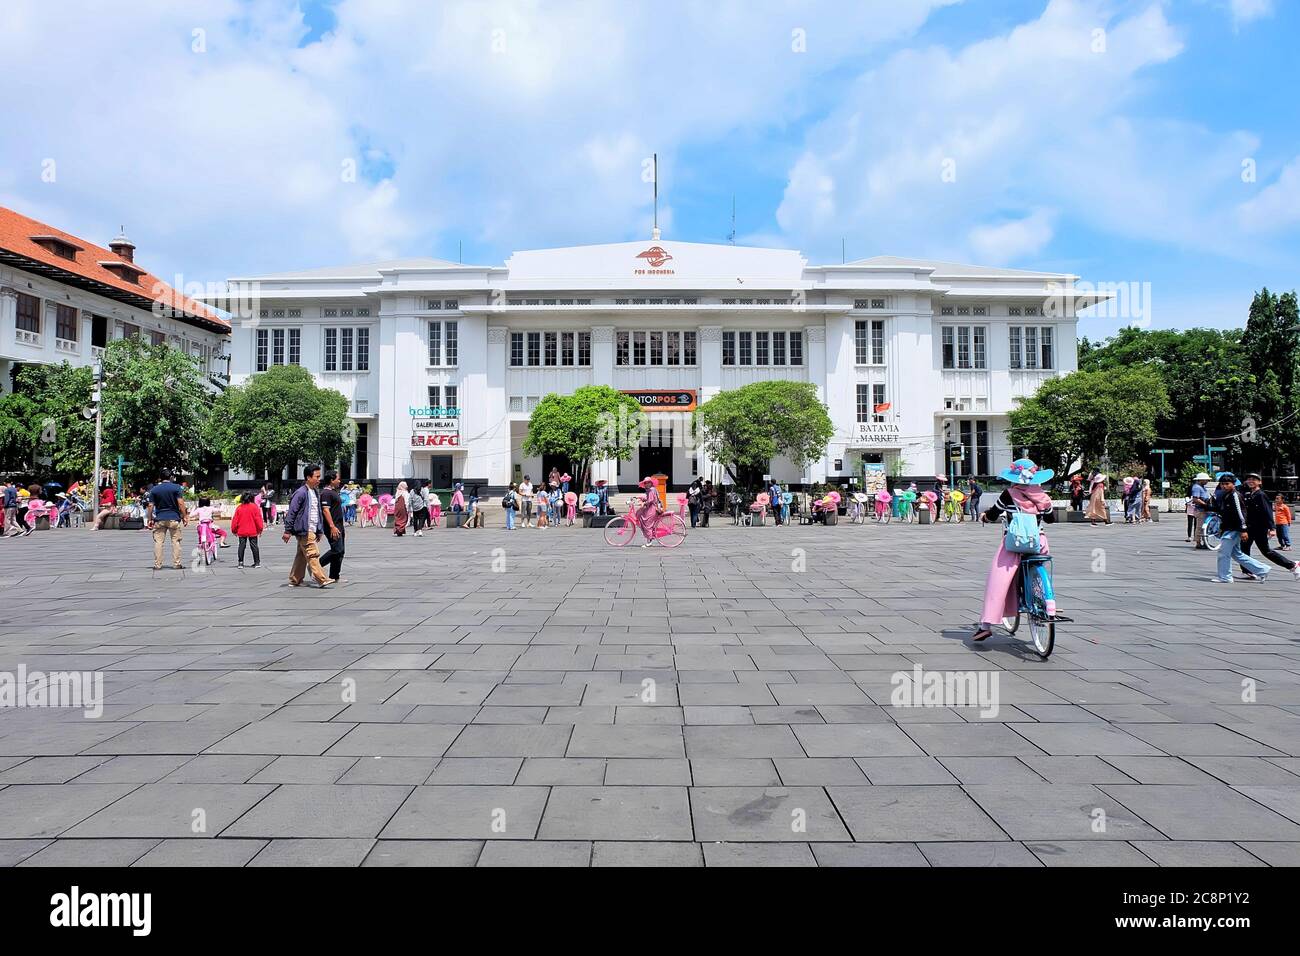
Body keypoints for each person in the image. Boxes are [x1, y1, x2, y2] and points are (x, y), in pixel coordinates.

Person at [972, 458, 1057, 642]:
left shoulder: (1009, 494)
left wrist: (985, 517)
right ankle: (1040, 599)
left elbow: (994, 514)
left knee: (998, 579)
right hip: (1038, 542)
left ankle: (985, 625)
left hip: (1015, 544)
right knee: (1035, 569)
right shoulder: (1044, 496)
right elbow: (1050, 520)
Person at [1206, 472, 1268, 583]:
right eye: (1222, 484)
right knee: (1237, 554)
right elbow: (1223, 511)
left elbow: (1241, 513)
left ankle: (1225, 577)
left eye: (1227, 484)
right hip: (1229, 528)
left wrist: (1243, 530)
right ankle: (1262, 569)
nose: (1224, 486)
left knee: (1223, 553)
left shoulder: (1235, 495)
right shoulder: (1226, 495)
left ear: (1233, 484)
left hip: (1234, 530)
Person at [1240, 472, 1300, 580]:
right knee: (1244, 549)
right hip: (1250, 527)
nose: (1250, 481)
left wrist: (1272, 528)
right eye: (1249, 479)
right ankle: (1247, 571)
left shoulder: (1261, 495)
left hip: (1259, 528)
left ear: (1259, 482)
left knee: (1266, 551)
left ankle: (1292, 565)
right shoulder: (1250, 494)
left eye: (1254, 479)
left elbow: (1267, 512)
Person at [282, 464, 332, 588]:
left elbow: (317, 512)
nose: (319, 479)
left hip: (312, 528)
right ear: (308, 477)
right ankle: (321, 579)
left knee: (301, 556)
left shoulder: (315, 492)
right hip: (305, 528)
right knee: (312, 553)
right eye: (317, 476)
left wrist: (319, 530)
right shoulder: (301, 493)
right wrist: (287, 530)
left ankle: (295, 579)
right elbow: (292, 512)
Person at [146, 471, 188, 570]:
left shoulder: (155, 489)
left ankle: (158, 564)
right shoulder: (176, 488)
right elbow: (181, 503)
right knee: (176, 541)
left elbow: (150, 505)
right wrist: (185, 516)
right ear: (171, 477)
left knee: (158, 542)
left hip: (160, 519)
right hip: (174, 518)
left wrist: (149, 519)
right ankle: (177, 564)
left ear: (160, 478)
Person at [319, 471, 346, 583]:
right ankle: (316, 565)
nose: (339, 481)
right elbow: (326, 510)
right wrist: (332, 526)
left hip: (339, 526)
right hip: (332, 526)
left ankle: (334, 576)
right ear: (331, 480)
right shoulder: (326, 493)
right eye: (338, 479)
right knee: (337, 550)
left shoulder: (334, 492)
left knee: (341, 552)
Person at [231, 491, 265, 568]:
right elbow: (258, 519)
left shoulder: (239, 508)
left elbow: (235, 520)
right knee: (254, 546)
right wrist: (260, 529)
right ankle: (257, 562)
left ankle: (240, 562)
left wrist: (234, 530)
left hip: (242, 530)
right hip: (253, 530)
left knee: (241, 546)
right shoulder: (255, 507)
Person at [634, 476, 663, 547]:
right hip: (650, 508)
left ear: (651, 483)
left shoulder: (651, 490)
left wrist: (644, 503)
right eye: (645, 483)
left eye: (648, 483)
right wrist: (639, 497)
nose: (646, 484)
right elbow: (647, 497)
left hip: (652, 509)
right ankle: (649, 538)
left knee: (647, 524)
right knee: (643, 517)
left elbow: (650, 500)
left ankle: (649, 541)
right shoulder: (650, 490)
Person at [1187, 473, 1211, 546]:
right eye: (1206, 480)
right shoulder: (1197, 487)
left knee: (1203, 527)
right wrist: (1205, 504)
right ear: (1201, 480)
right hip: (1200, 510)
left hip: (1203, 509)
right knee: (1200, 526)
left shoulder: (1202, 487)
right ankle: (1198, 542)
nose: (1207, 481)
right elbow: (1195, 499)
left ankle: (1204, 542)